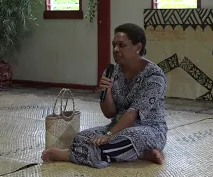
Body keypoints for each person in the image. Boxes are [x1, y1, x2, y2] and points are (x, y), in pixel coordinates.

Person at [42, 23, 168, 168]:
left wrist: (109, 135)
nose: (115, 49)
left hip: (148, 130)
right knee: (81, 137)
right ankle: (141, 154)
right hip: (117, 126)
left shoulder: (154, 76)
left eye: (121, 45)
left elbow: (132, 114)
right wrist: (106, 91)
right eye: (114, 45)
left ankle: (69, 155)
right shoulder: (111, 72)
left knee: (132, 137)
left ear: (138, 47)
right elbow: (109, 113)